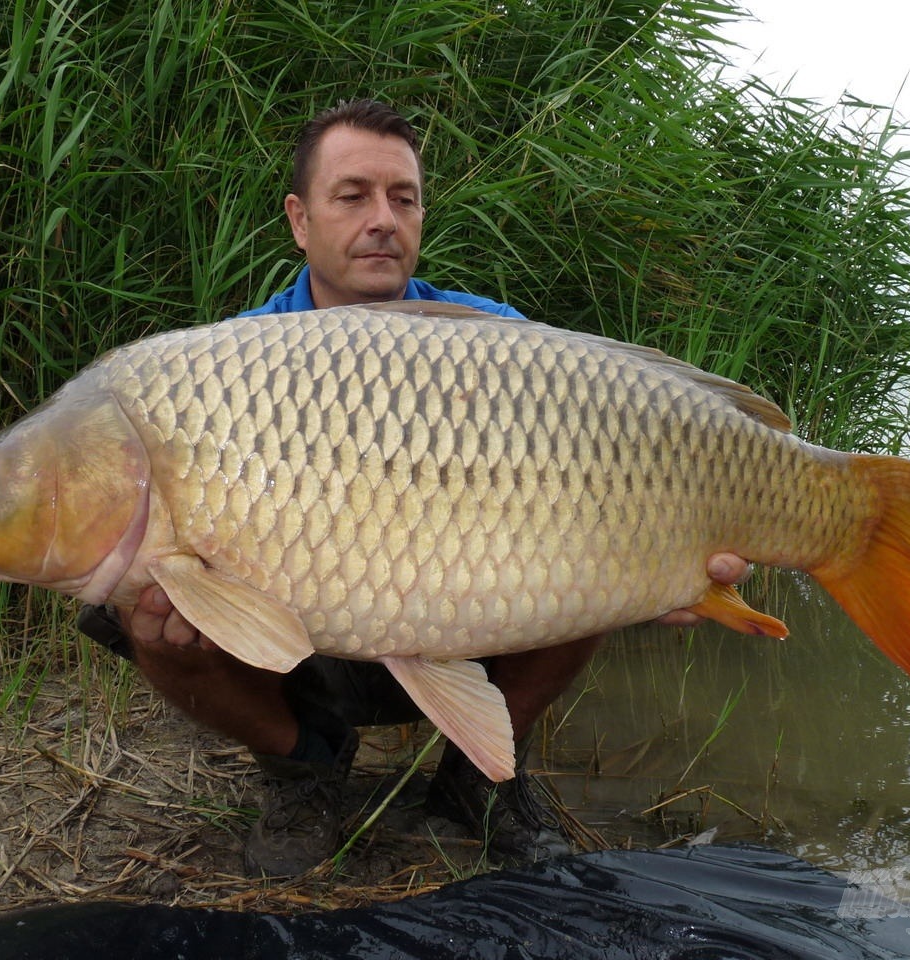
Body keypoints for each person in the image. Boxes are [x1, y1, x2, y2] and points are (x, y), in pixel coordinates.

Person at [78, 99, 750, 877]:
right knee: (137, 610)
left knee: (586, 529)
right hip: (305, 647)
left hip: (469, 622)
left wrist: (670, 562)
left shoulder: (506, 348)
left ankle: (477, 778)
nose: (383, 219)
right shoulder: (236, 368)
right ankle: (305, 769)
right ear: (300, 220)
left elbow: (623, 467)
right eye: (352, 195)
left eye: (403, 197)